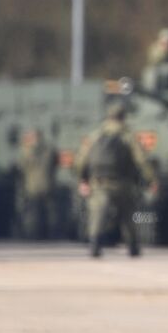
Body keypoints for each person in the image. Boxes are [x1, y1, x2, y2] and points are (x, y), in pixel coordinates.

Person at [75, 102, 156, 258]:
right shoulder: (128, 136)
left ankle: (95, 246)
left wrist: (82, 181)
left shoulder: (95, 135)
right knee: (128, 215)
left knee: (97, 214)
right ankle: (133, 247)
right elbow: (141, 160)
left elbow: (81, 161)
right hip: (123, 184)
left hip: (99, 183)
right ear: (123, 117)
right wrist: (151, 179)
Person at [17, 128, 58, 239]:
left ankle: (34, 235)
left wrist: (25, 147)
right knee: (48, 212)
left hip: (32, 186)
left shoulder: (27, 151)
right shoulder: (50, 149)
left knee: (34, 212)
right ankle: (49, 234)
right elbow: (55, 163)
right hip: (48, 185)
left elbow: (21, 166)